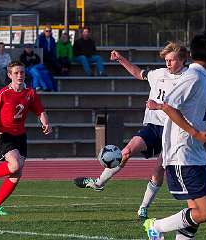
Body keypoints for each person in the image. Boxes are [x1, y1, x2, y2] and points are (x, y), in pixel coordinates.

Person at [143, 32, 206, 240]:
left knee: (204, 212)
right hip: (182, 154)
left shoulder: (201, 78)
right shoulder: (193, 77)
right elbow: (169, 106)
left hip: (195, 155)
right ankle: (156, 226)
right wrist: (195, 133)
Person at [73, 42, 188, 220]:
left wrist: (159, 106)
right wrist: (120, 59)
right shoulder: (158, 74)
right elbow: (138, 73)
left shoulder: (189, 79)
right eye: (166, 60)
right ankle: (99, 183)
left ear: (182, 60)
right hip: (152, 127)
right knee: (125, 152)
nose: (167, 64)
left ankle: (143, 208)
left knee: (158, 170)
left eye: (171, 61)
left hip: (173, 131)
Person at [0, 60, 52, 215]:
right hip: (4, 134)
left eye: (22, 72)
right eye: (16, 73)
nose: (20, 75)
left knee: (16, 174)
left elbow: (40, 111)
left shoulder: (30, 93)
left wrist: (45, 122)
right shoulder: (3, 94)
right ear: (9, 75)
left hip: (21, 136)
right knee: (14, 165)